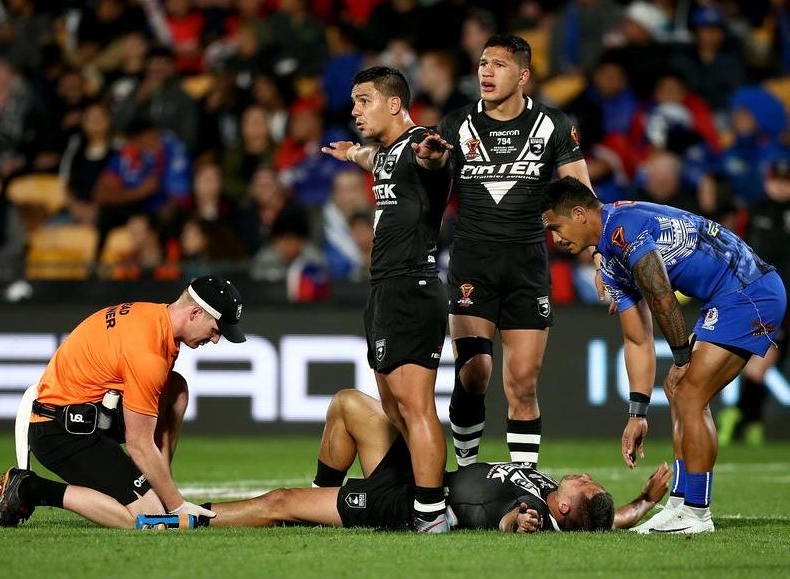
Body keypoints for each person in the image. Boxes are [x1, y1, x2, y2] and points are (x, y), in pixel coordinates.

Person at [540, 177, 786, 533]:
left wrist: (683, 359)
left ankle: (697, 512)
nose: (555, 239)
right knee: (676, 388)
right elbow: (638, 340)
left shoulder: (625, 230)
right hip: (727, 297)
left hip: (750, 292)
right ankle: (679, 504)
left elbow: (662, 297)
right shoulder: (611, 258)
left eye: (556, 227)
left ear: (579, 214)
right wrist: (637, 413)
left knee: (689, 392)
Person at [142, 389, 670, 533]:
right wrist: (642, 502)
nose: (583, 476)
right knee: (349, 405)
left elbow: (507, 522)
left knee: (279, 502)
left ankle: (175, 518)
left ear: (568, 509)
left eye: (585, 486)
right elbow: (608, 521)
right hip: (422, 476)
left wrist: (516, 525)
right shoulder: (562, 500)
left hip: (405, 503)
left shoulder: (533, 514)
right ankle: (323, 503)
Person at [437, 34, 593, 470]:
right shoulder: (456, 125)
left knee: (522, 384)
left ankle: (524, 482)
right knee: (474, 373)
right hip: (472, 264)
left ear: (523, 76)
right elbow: (430, 188)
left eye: (499, 65)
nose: (486, 72)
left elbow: (581, 197)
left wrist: (600, 255)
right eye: (482, 63)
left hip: (527, 266)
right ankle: (466, 472)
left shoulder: (552, 125)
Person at [0, 276, 247, 529]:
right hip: (61, 432)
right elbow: (139, 444)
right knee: (151, 517)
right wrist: (177, 506)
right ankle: (30, 488)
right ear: (195, 313)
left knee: (176, 389)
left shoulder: (153, 316)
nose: (216, 339)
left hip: (81, 413)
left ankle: (154, 485)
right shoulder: (148, 354)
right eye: (216, 329)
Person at [321, 66, 454, 532]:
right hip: (383, 289)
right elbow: (374, 159)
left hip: (412, 287)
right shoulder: (387, 153)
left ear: (394, 103)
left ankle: (432, 514)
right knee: (395, 408)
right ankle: (413, 495)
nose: (355, 111)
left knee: (415, 406)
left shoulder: (420, 145)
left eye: (364, 101)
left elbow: (432, 161)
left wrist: (435, 156)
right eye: (353, 103)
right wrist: (351, 153)